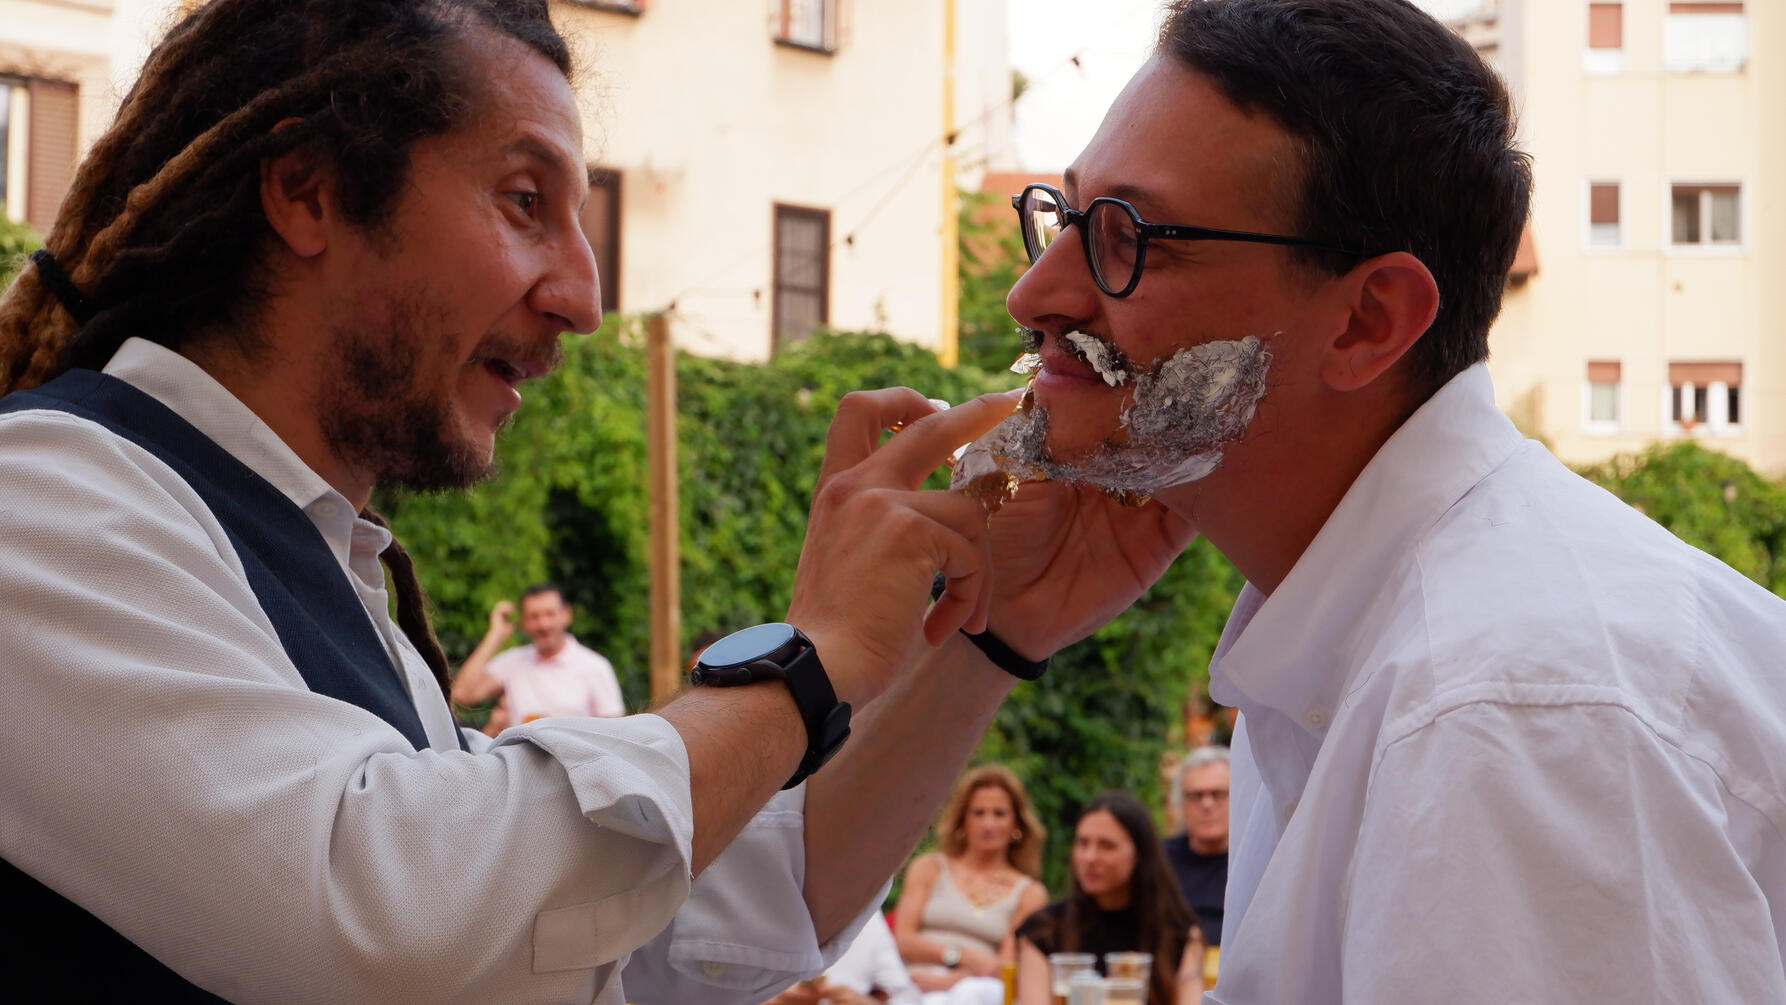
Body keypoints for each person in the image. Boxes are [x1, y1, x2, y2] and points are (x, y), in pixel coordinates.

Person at [0, 1, 1198, 1000]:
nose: (582, 293)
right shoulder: (44, 493)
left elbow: (629, 941)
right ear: (308, 190)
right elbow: (384, 914)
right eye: (526, 201)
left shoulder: (325, 569)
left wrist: (988, 639)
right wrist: (808, 661)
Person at [991, 0, 1786, 1000]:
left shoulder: (1497, 710)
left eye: (1128, 236)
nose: (1036, 294)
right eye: (1065, 219)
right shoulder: (1388, 649)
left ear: (1368, 320)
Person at [1014, 792, 1202, 1005]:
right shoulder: (1044, 931)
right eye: (1083, 843)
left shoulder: (1176, 932)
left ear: (1139, 854)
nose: (1090, 857)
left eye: (1106, 846)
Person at [892, 765, 1048, 999]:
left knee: (969, 994)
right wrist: (961, 956)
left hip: (980, 988)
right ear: (963, 820)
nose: (988, 824)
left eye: (999, 813)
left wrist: (950, 982)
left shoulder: (1029, 893)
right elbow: (903, 940)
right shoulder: (929, 868)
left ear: (1016, 824)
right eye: (978, 813)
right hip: (917, 982)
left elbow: (1005, 966)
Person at [451, 584, 626, 722]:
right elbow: (462, 694)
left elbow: (615, 731)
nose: (543, 624)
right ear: (523, 622)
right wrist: (495, 635)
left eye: (550, 614)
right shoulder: (512, 662)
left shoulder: (595, 666)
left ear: (566, 615)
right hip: (522, 764)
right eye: (533, 616)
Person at [761, 913, 922, 1005]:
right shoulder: (761, 911)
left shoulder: (867, 916)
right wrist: (775, 1001)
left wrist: (860, 1002)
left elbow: (909, 999)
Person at [1162, 746, 1227, 947]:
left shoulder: (1260, 862)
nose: (1207, 805)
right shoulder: (1159, 861)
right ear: (1179, 803)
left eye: (1218, 794)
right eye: (1196, 796)